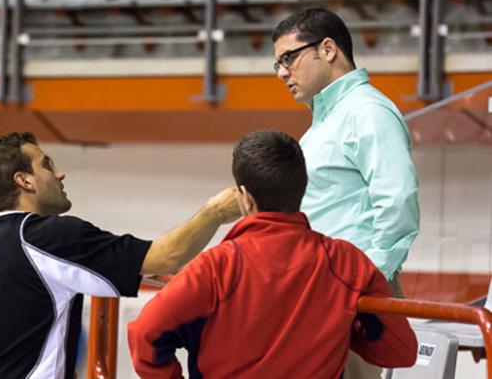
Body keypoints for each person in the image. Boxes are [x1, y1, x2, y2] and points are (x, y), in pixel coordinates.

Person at [0, 132, 240, 379]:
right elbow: (165, 259)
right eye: (47, 165)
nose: (60, 174)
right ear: (23, 181)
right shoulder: (45, 236)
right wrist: (216, 212)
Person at [127, 129, 418, 379]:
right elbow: (400, 351)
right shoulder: (348, 263)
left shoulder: (216, 267)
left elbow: (145, 334)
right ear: (301, 189)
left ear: (244, 198)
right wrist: (342, 331)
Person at [271, 8, 420, 378]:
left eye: (289, 58)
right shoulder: (324, 123)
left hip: (354, 295)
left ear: (327, 49)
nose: (282, 73)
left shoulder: (367, 112)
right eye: (276, 64)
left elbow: (398, 203)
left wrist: (362, 285)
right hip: (321, 292)